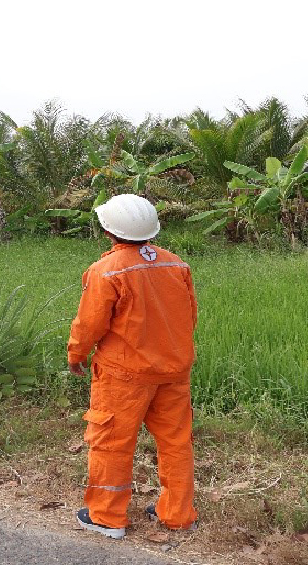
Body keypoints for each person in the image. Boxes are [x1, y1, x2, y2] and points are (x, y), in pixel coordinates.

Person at [67, 193, 198, 540]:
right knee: (176, 441)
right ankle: (178, 514)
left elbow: (89, 324)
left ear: (109, 231)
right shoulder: (177, 265)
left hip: (124, 375)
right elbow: (189, 317)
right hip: (174, 370)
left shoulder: (106, 271)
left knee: (111, 441)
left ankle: (107, 517)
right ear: (151, 230)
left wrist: (76, 354)